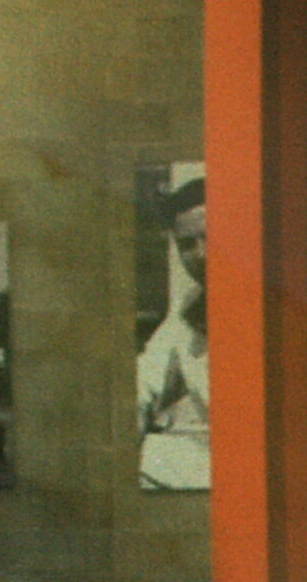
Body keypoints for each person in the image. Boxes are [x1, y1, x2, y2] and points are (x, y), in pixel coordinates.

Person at [137, 175, 210, 489]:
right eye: (186, 245)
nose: (201, 254)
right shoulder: (188, 308)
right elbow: (145, 383)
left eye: (211, 236)